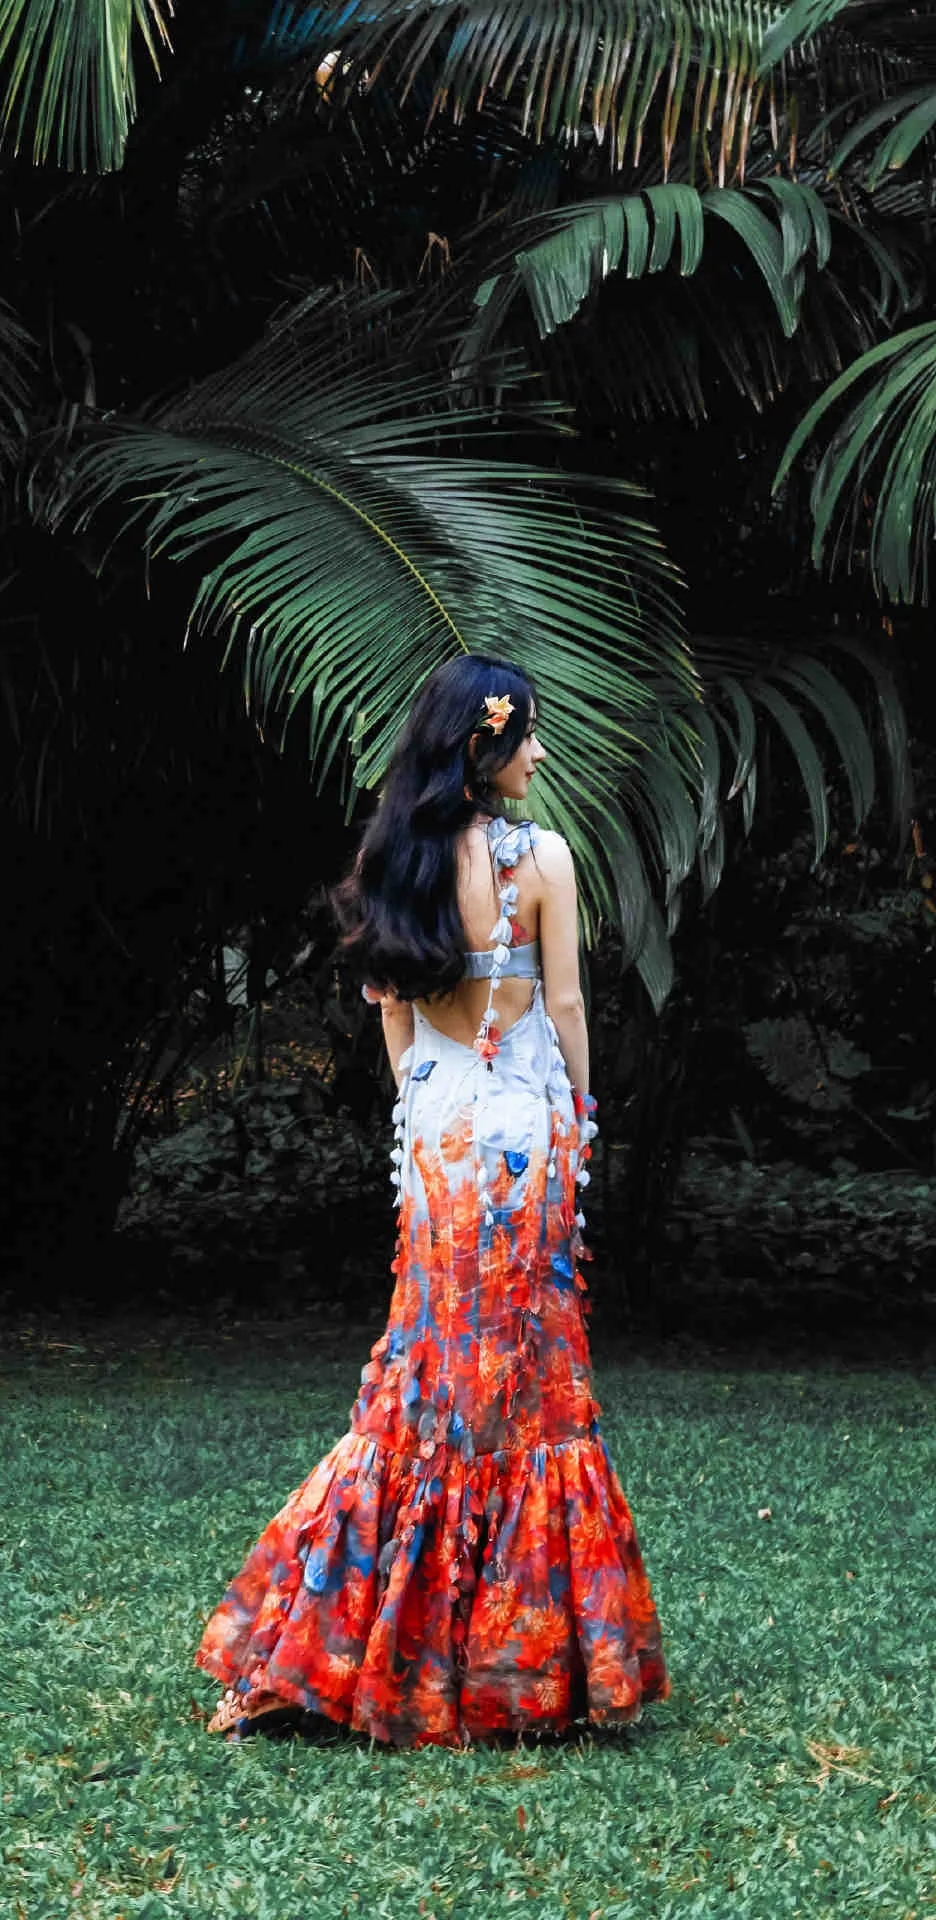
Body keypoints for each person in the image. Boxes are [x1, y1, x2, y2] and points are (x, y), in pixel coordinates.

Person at [194, 654, 670, 1748]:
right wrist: (580, 1116)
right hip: (520, 1134)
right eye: (526, 735)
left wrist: (429, 1104)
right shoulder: (542, 857)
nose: (538, 753)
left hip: (439, 1131)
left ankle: (341, 1642)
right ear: (481, 748)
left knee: (425, 1372)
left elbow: (395, 1023)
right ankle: (516, 1663)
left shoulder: (391, 858)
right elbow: (563, 1005)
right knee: (526, 1382)